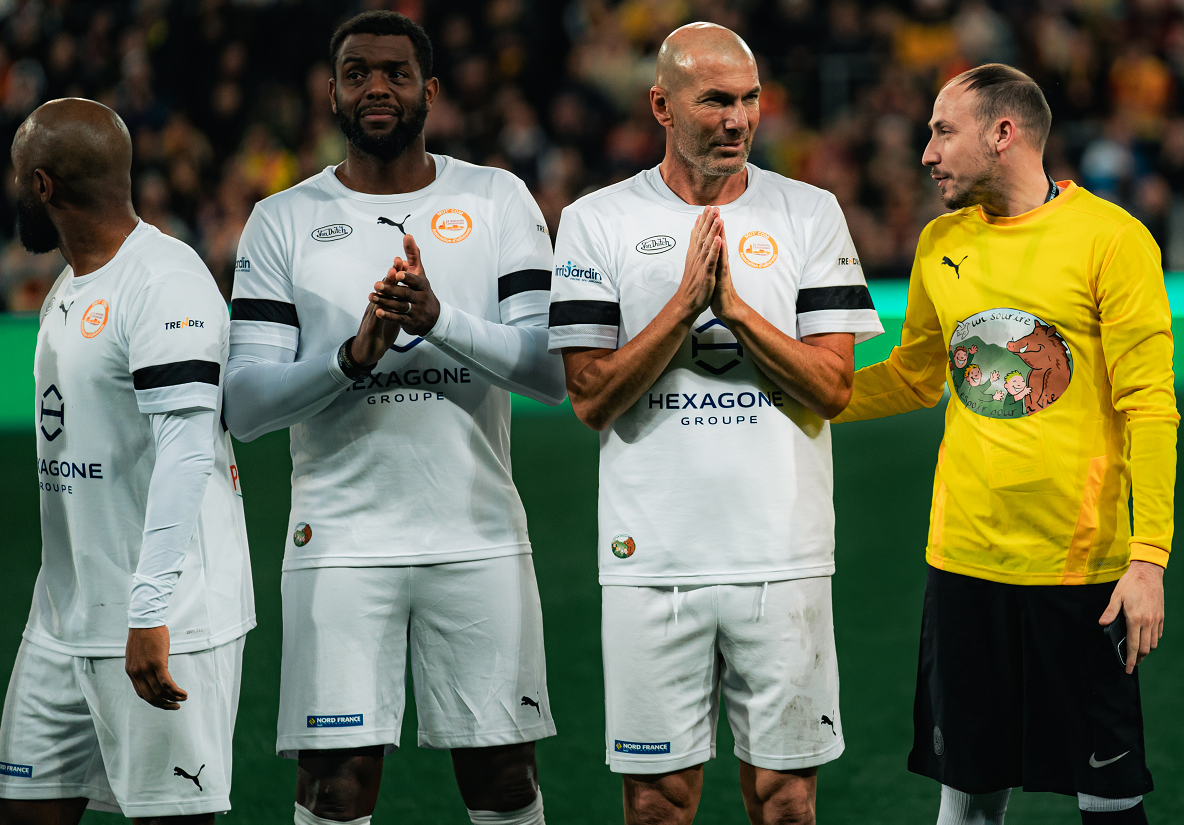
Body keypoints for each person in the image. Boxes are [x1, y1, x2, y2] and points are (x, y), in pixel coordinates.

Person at [222, 11, 565, 825]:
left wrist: (438, 320)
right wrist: (353, 354)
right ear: (332, 90)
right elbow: (244, 405)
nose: (376, 86)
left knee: (505, 778)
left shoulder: (495, 198)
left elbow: (553, 373)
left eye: (395, 73)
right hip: (340, 541)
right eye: (357, 71)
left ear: (430, 91)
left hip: (476, 532)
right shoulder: (282, 219)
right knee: (334, 784)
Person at [546, 22, 882, 825]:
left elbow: (833, 387)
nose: (736, 120)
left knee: (787, 802)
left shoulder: (809, 212)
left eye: (749, 100)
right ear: (662, 105)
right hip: (650, 558)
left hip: (783, 554)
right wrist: (682, 308)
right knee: (659, 803)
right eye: (715, 101)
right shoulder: (597, 221)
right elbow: (589, 396)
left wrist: (731, 310)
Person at [834, 64, 1177, 825]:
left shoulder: (1112, 241)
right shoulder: (939, 242)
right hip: (964, 560)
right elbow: (916, 377)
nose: (925, 152)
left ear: (1003, 133)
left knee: (1109, 795)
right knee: (969, 787)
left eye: (941, 130)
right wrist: (804, 397)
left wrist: (1148, 556)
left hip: (1080, 567)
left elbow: (1150, 406)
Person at [0, 98, 254, 824]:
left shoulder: (164, 281)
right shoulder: (69, 283)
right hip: (64, 615)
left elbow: (185, 449)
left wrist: (148, 610)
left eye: (18, 176)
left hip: (163, 619)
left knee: (172, 818)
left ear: (42, 185)